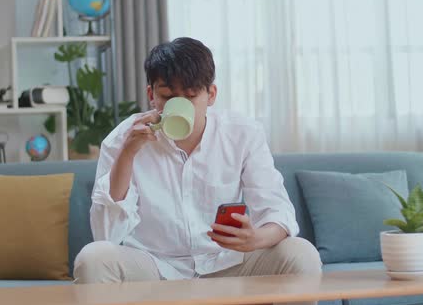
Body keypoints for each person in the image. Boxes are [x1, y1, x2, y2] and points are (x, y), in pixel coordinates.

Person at [74, 37, 321, 304]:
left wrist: (255, 238)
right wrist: (127, 155)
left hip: (226, 264)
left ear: (210, 95)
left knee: (301, 253)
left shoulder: (242, 134)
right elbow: (106, 234)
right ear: (151, 95)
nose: (179, 106)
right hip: (155, 268)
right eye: (168, 97)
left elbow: (278, 210)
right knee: (93, 258)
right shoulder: (122, 140)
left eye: (191, 96)